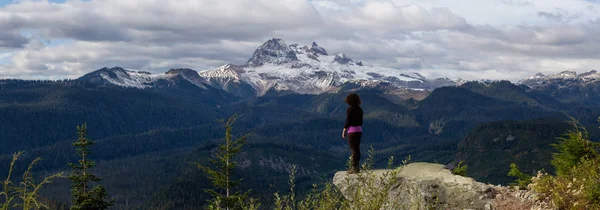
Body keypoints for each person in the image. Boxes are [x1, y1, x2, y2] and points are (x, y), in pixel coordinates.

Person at [342, 93, 363, 174]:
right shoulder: (360, 109)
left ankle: (354, 168)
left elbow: (348, 120)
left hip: (352, 131)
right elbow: (361, 122)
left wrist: (344, 130)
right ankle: (357, 167)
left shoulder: (349, 109)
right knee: (357, 149)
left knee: (353, 149)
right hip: (359, 130)